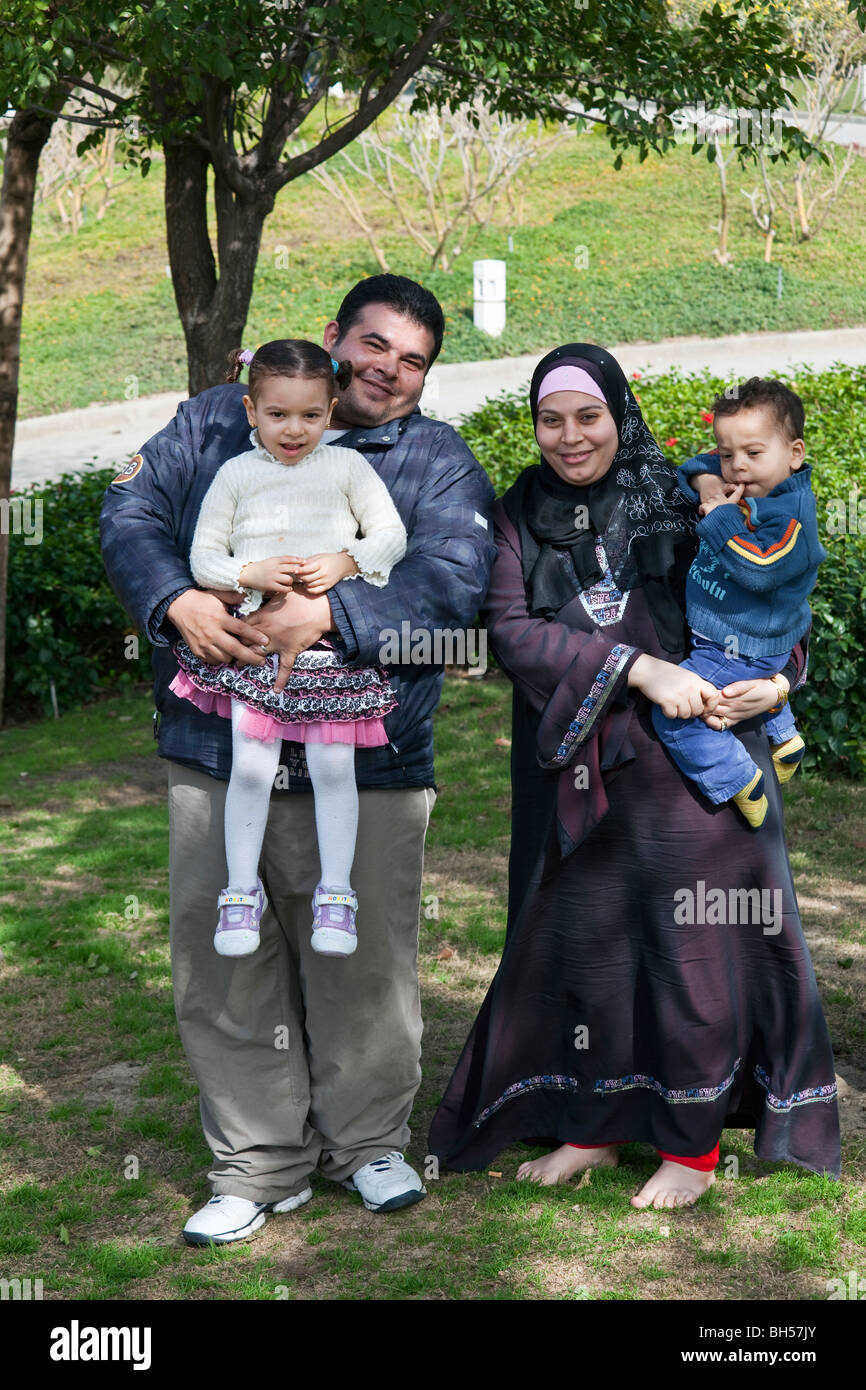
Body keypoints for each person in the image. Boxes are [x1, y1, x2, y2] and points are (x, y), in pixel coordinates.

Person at [100, 275, 496, 1240]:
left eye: (413, 361)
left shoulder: (433, 460)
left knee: (358, 960)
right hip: (214, 744)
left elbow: (455, 583)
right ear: (333, 338)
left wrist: (337, 611)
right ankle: (256, 1164)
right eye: (373, 346)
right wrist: (177, 601)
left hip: (368, 758)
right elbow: (131, 518)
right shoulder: (213, 422)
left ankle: (368, 1146)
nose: (388, 372)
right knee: (226, 963)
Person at [428, 343, 840, 1210]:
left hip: (701, 767)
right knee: (591, 952)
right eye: (551, 419)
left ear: (620, 413)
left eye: (589, 416)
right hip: (579, 764)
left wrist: (778, 681)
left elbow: (772, 601)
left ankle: (690, 1148)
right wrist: (636, 669)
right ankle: (598, 1126)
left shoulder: (690, 500)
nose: (570, 437)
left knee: (695, 952)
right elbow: (510, 632)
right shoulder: (517, 513)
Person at [170, 339, 407, 959]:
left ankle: (336, 894)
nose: (294, 430)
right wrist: (247, 573)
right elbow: (203, 557)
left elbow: (391, 535)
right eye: (277, 415)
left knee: (333, 770)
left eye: (311, 415)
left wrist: (346, 559)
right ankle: (240, 893)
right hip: (253, 644)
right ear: (252, 410)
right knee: (251, 766)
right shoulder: (236, 475)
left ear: (332, 411)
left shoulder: (349, 470)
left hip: (327, 649)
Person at [652, 377, 825, 830]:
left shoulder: (790, 517)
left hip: (742, 644)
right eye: (728, 453)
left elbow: (759, 568)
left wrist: (720, 515)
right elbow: (693, 465)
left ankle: (738, 779)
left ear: (795, 453)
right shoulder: (750, 485)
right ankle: (784, 737)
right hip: (738, 637)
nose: (737, 467)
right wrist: (710, 479)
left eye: (752, 453)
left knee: (676, 712)